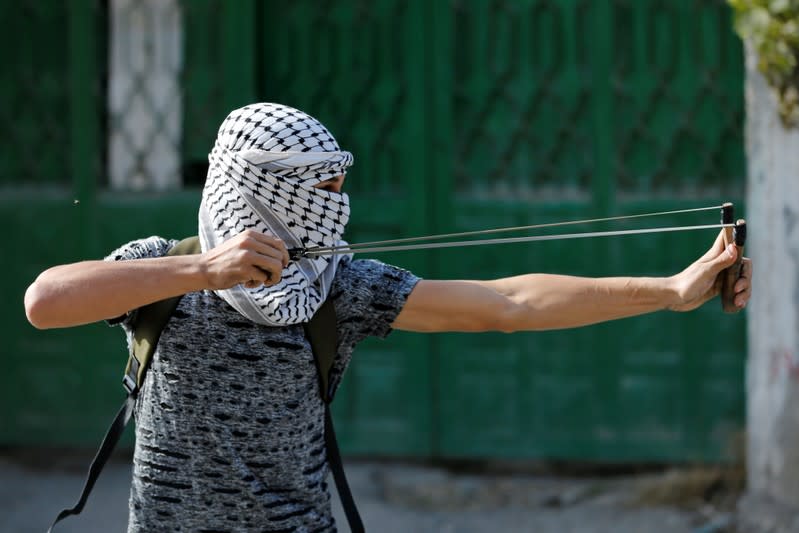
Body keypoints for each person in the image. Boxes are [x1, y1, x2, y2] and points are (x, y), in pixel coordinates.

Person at [24, 103, 753, 532]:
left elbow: (506, 303)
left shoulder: (337, 285)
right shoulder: (159, 269)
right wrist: (201, 271)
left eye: (339, 184)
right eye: (320, 186)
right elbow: (43, 301)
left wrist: (667, 288)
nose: (336, 202)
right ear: (256, 187)